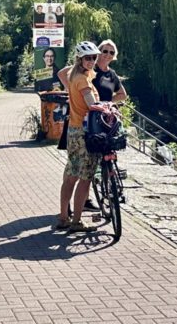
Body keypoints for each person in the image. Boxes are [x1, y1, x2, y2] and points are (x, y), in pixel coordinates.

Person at [56, 41, 107, 232]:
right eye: (88, 58)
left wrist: (79, 63)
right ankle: (76, 221)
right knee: (85, 178)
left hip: (73, 130)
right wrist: (107, 108)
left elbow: (61, 73)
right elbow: (92, 104)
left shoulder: (73, 75)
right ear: (80, 59)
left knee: (71, 175)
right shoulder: (83, 81)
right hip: (84, 133)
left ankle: (63, 217)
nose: (92, 61)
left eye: (94, 57)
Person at [91, 39, 127, 104]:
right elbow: (67, 72)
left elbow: (123, 95)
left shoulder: (112, 74)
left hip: (102, 112)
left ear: (114, 56)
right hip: (85, 111)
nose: (108, 54)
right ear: (99, 52)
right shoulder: (90, 67)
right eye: (105, 51)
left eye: (112, 52)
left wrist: (107, 102)